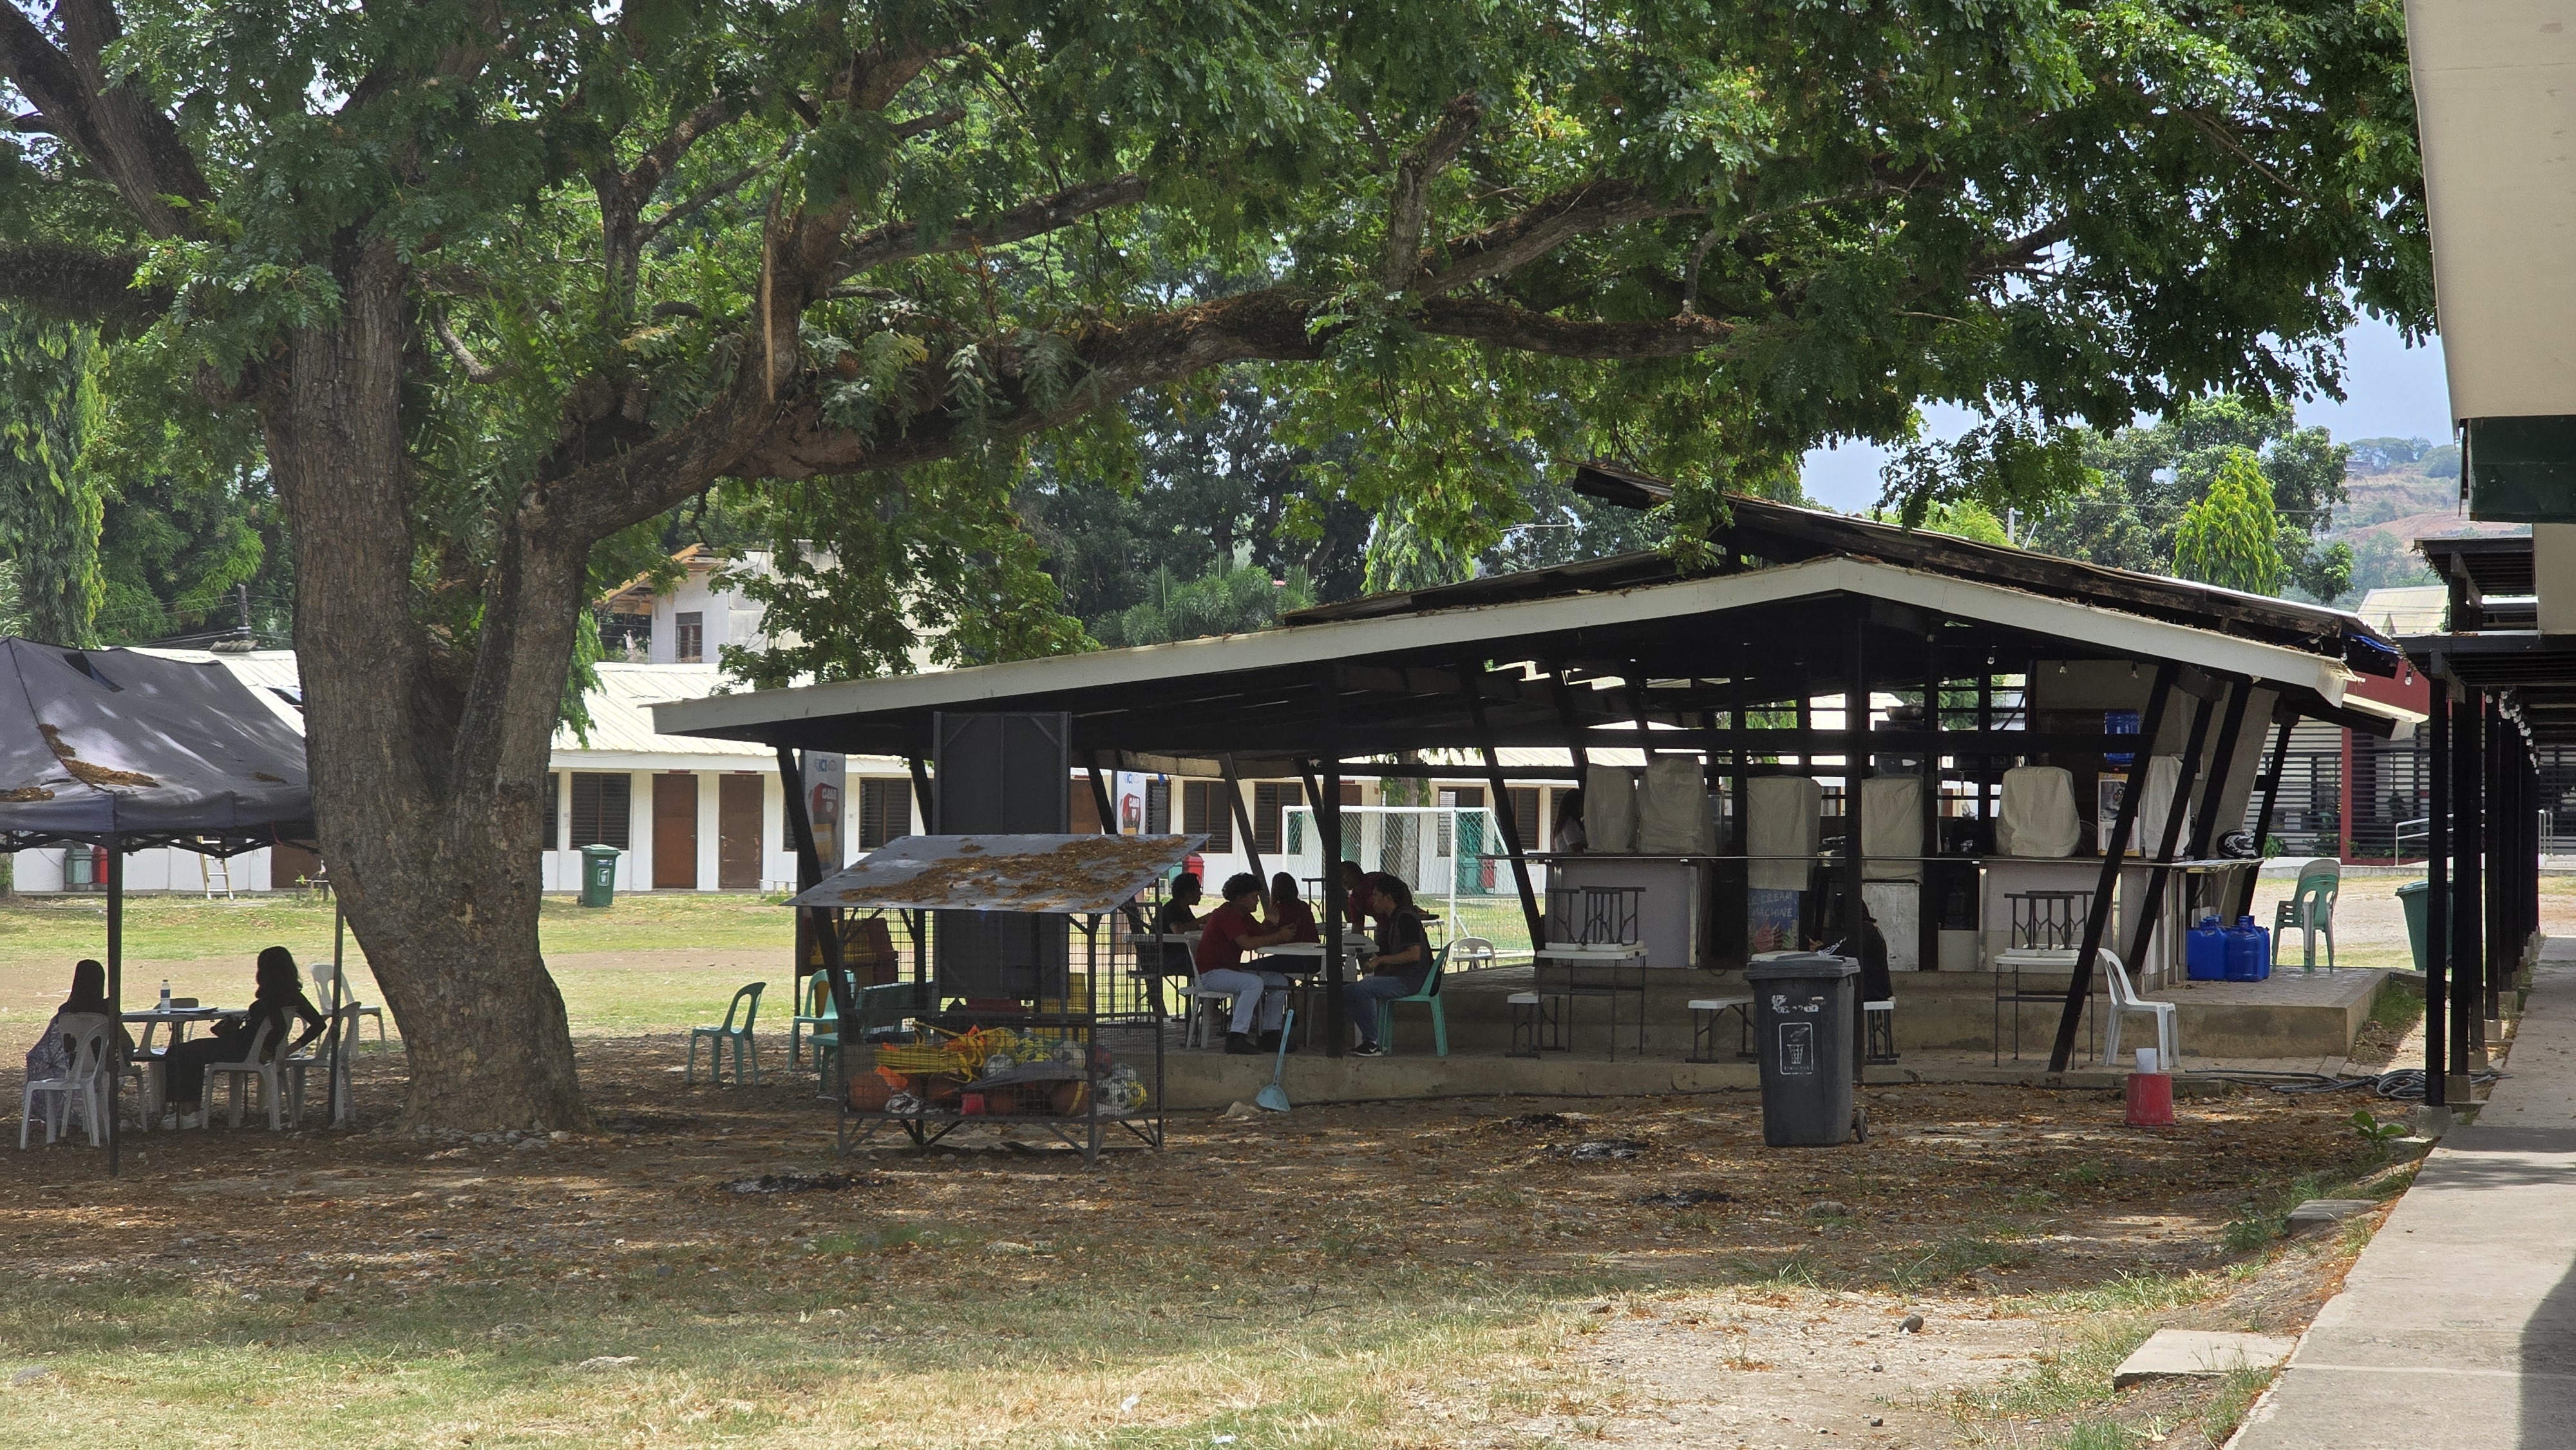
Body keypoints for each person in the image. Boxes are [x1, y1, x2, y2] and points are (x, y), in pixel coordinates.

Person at [160, 946, 325, 1128]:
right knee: (192, 1052)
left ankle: (186, 1111)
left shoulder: (271, 997)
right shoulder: (294, 995)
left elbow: (279, 1027)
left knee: (180, 1051)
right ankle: (191, 1109)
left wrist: (267, 1048)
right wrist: (288, 1049)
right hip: (248, 1045)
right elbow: (319, 1024)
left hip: (244, 1048)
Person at [22, 960, 131, 1137]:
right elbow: (125, 1041)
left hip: (73, 1068)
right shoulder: (107, 1008)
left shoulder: (65, 1011)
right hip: (104, 1067)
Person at [1193, 872, 1298, 1054]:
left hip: (1228, 971)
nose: (1257, 901)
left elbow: (1259, 933)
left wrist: (1271, 925)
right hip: (1211, 974)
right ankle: (1236, 1037)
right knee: (1254, 983)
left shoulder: (1244, 916)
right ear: (1240, 898)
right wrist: (1279, 935)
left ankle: (1270, 1034)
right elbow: (1247, 944)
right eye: (1253, 897)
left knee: (1279, 981)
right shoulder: (1226, 915)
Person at [1346, 877, 1434, 1057]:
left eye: (1376, 895)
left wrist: (1381, 961)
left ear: (1388, 898)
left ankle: (1371, 1042)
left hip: (1412, 979)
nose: (1372, 900)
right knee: (1348, 991)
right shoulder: (1395, 919)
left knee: (1364, 989)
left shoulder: (1405, 918)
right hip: (1404, 976)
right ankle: (1372, 1040)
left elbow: (1414, 954)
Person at [1337, 860, 1439, 930]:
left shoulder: (1375, 880)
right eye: (1339, 876)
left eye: (1344, 875)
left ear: (1355, 873)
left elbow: (1400, 888)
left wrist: (1407, 911)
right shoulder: (1354, 901)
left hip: (1400, 922)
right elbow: (1357, 927)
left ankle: (1417, 912)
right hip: (1383, 925)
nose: (1342, 879)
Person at [1262, 871, 1320, 944]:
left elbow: (1262, 936)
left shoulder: (1278, 909)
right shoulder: (1303, 906)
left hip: (1290, 952)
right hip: (1312, 951)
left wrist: (1268, 922)